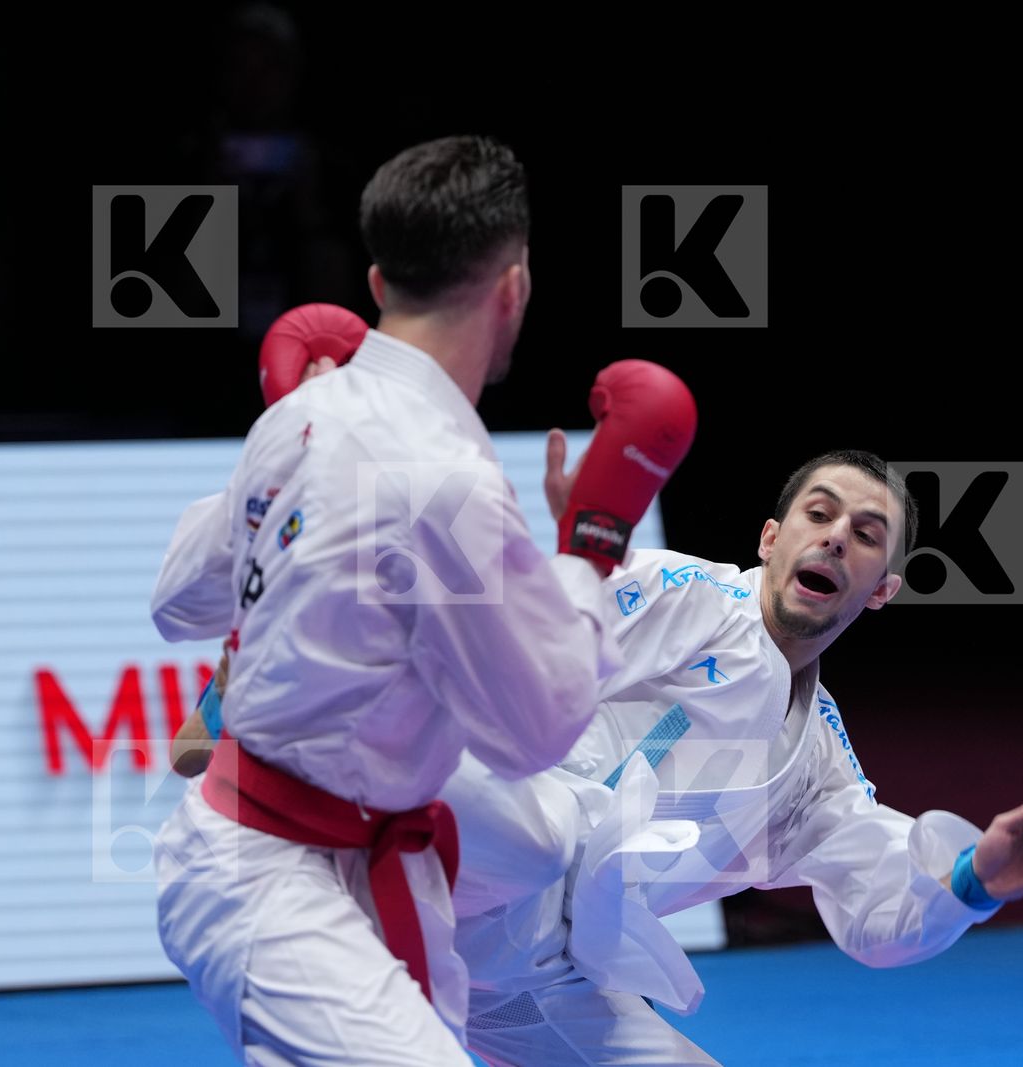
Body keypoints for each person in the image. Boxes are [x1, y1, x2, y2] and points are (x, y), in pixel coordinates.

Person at [176, 445, 1023, 1065]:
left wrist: (976, 878)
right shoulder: (686, 596)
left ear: (881, 590)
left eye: (866, 534)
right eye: (820, 513)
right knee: (527, 812)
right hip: (474, 847)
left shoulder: (821, 769)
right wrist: (574, 555)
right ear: (772, 537)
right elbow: (527, 634)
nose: (837, 534)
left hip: (547, 971)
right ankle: (263, 698)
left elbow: (880, 912)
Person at [150, 136, 694, 1066]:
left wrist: (287, 458)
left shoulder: (299, 419)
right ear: (513, 283)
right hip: (273, 873)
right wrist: (592, 546)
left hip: (350, 862)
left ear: (375, 277)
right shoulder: (446, 479)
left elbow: (179, 602)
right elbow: (534, 733)